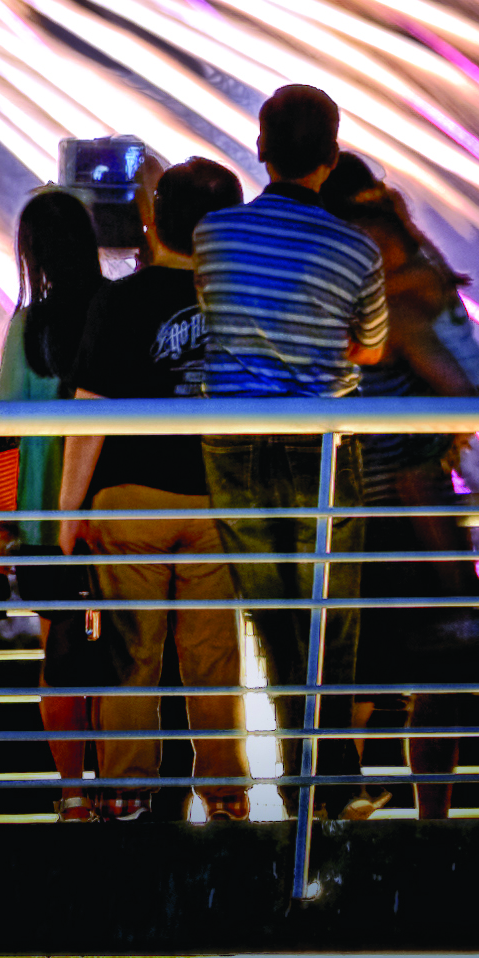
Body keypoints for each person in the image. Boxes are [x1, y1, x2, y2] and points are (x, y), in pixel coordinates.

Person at [185, 86, 394, 822]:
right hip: (322, 442)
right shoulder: (357, 249)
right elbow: (369, 346)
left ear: (260, 148)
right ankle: (331, 781)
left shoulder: (211, 234)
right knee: (327, 613)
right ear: (331, 158)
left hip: (232, 442)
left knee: (271, 613)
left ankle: (317, 782)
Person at [68, 156, 237, 819]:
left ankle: (127, 797)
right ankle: (224, 799)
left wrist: (63, 518)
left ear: (152, 220)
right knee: (213, 658)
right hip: (217, 498)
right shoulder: (239, 304)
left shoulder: (119, 298)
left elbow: (88, 415)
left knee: (128, 655)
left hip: (129, 497)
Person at [0, 183, 115, 817]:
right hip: (110, 515)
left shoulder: (27, 325)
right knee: (120, 656)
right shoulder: (114, 309)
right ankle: (124, 786)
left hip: (43, 521)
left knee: (58, 654)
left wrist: (1, 525)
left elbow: (3, 432)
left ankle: (73, 794)